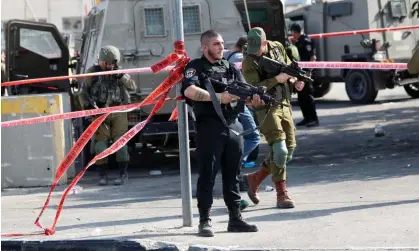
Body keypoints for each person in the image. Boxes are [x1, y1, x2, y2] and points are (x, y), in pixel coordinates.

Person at [181, 30, 259, 237]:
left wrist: (254, 99)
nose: (221, 47)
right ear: (205, 47)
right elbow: (189, 91)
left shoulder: (230, 67)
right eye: (216, 44)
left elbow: (244, 92)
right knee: (207, 175)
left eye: (222, 43)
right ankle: (204, 221)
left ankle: (235, 219)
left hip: (233, 125)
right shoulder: (196, 67)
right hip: (209, 127)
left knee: (233, 175)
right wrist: (219, 97)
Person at [241, 27, 305, 209]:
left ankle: (255, 178)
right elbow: (255, 88)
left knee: (289, 150)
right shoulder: (248, 61)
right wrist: (278, 79)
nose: (254, 52)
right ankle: (281, 194)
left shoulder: (277, 47)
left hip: (285, 104)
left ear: (265, 42)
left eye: (258, 48)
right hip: (266, 107)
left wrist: (295, 82)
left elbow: (287, 70)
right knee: (280, 150)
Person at [81, 45, 137, 186]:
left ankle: (123, 174)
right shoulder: (92, 73)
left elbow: (133, 87)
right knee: (100, 146)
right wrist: (88, 109)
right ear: (101, 61)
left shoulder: (119, 72)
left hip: (118, 112)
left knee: (121, 144)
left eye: (112, 63)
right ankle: (103, 176)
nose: (109, 66)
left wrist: (122, 76)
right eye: (106, 63)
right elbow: (83, 93)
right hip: (100, 113)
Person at [224, 36, 261, 175]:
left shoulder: (226, 53)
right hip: (238, 100)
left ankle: (234, 162)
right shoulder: (239, 58)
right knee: (253, 136)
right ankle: (235, 161)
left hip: (230, 99)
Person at [289, 23, 319, 127]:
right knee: (301, 97)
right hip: (300, 73)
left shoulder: (306, 41)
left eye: (292, 31)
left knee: (308, 97)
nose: (291, 34)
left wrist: (309, 73)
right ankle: (306, 118)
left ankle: (314, 119)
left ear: (295, 31)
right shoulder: (298, 41)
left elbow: (313, 57)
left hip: (306, 73)